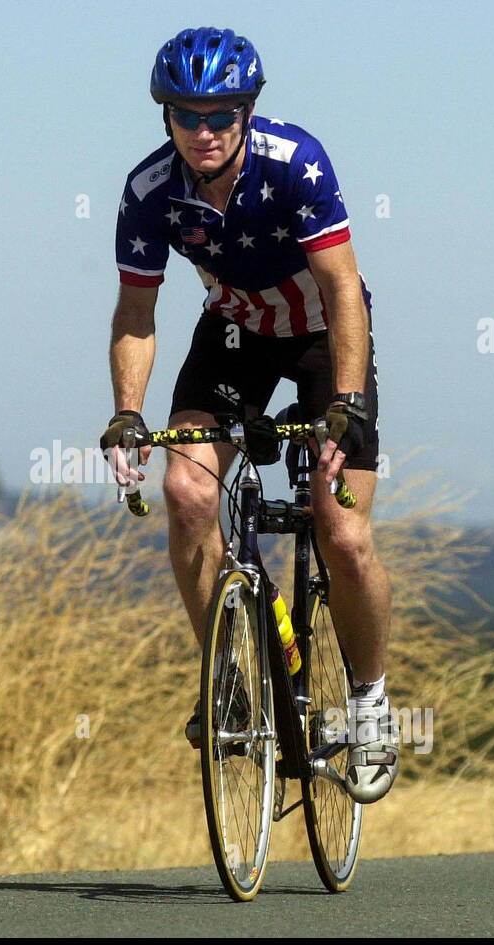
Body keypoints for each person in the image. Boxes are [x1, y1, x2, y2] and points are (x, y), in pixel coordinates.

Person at [99, 26, 398, 803]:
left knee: (343, 532)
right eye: (187, 115)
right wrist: (128, 413)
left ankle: (369, 698)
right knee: (187, 492)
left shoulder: (294, 163)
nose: (204, 131)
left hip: (324, 339)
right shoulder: (148, 191)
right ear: (165, 116)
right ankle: (229, 679)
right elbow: (137, 310)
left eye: (221, 115)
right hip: (234, 335)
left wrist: (347, 403)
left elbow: (341, 289)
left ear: (247, 110)